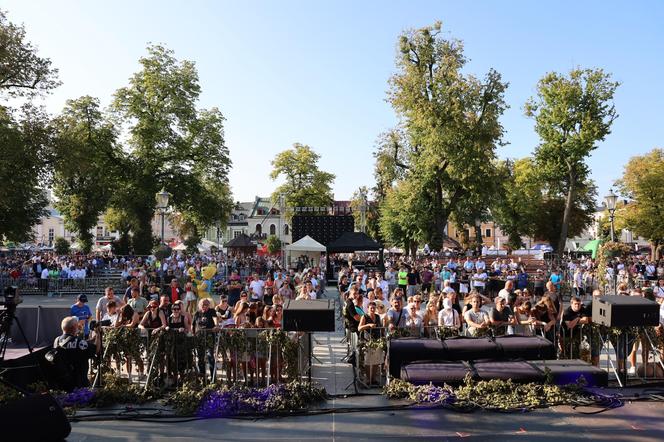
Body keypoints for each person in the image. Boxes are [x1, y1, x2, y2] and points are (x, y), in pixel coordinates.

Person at [52, 316, 101, 390]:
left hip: (63, 383)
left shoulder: (57, 341)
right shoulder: (79, 342)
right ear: (74, 327)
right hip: (79, 383)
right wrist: (97, 334)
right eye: (77, 325)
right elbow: (96, 349)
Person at [193, 298, 219, 378]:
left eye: (207, 304)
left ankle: (213, 377)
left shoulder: (212, 311)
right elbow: (193, 325)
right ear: (200, 305)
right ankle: (202, 377)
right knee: (200, 358)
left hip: (209, 337)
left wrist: (216, 325)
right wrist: (193, 334)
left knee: (210, 356)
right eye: (203, 304)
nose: (205, 306)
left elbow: (215, 319)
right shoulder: (197, 313)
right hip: (199, 337)